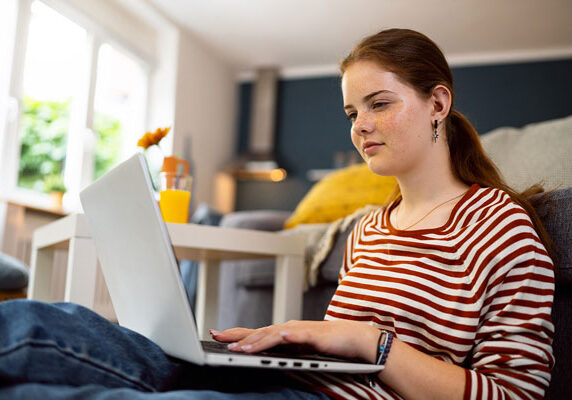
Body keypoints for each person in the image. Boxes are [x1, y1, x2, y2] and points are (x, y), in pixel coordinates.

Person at [0, 28, 554, 400]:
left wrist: (372, 343)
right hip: (289, 386)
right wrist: (289, 338)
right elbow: (337, 345)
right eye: (351, 111)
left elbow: (514, 392)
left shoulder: (500, 226)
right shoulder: (368, 227)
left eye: (379, 104)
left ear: (437, 103)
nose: (360, 125)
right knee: (57, 325)